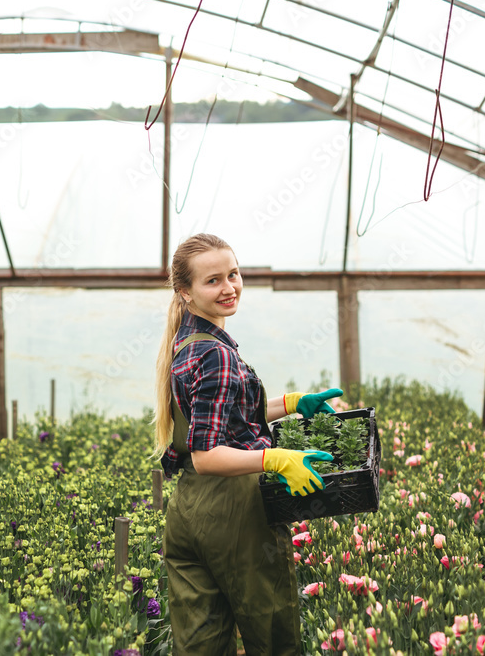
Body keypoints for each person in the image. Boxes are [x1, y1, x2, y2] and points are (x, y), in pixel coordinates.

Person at [153, 233, 344, 655]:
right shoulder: (216, 354)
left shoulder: (187, 342)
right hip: (233, 510)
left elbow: (224, 421)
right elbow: (207, 455)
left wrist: (291, 403)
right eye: (213, 281)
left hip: (187, 512)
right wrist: (275, 458)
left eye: (233, 274)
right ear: (185, 291)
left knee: (199, 643)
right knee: (271, 629)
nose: (229, 287)